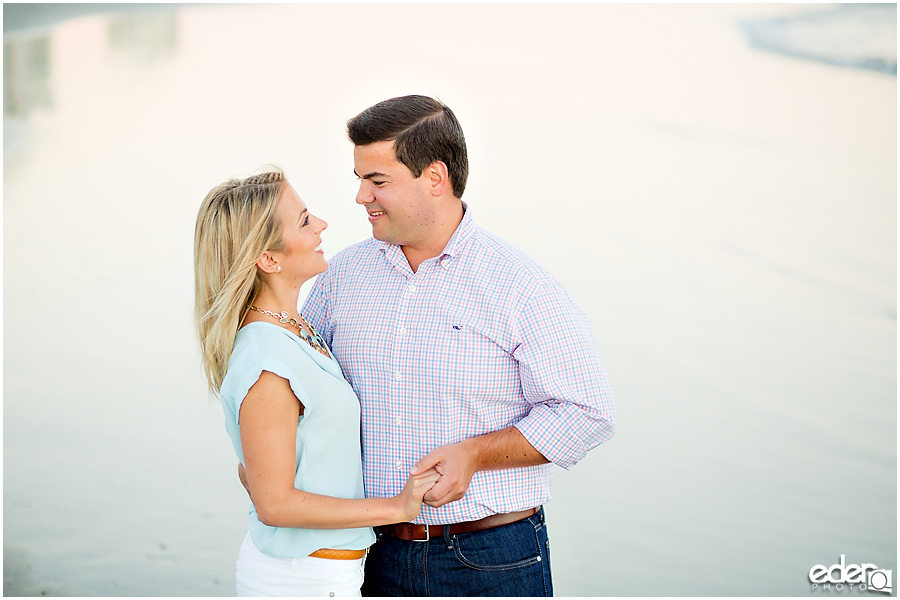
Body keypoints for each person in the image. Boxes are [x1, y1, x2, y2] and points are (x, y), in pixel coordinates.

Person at [299, 95, 617, 596]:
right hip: (364, 552)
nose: (361, 196)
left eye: (377, 181)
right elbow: (300, 387)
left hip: (490, 558)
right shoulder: (342, 276)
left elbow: (587, 412)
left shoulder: (520, 285)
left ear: (434, 177)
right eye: (359, 179)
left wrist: (475, 454)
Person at [193, 168, 440, 597]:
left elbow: (253, 472)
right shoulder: (269, 358)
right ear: (268, 259)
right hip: (302, 578)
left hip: (321, 572)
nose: (322, 224)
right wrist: (397, 507)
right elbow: (274, 504)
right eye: (304, 220)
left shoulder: (295, 330)